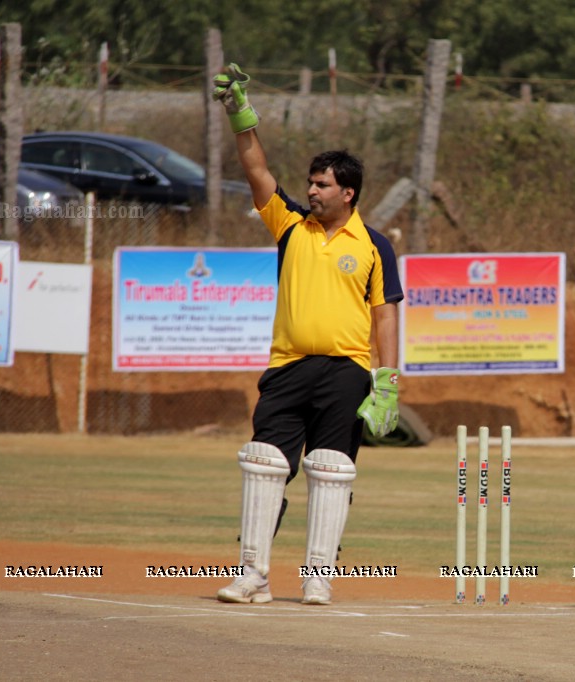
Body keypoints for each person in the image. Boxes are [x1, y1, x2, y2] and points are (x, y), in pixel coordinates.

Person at [211, 63, 405, 606]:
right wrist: (239, 113)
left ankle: (319, 574)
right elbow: (257, 170)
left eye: (321, 185)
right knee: (264, 463)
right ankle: (253, 574)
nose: (311, 191)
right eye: (310, 183)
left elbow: (385, 314)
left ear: (348, 192)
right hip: (288, 367)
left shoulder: (375, 245)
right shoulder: (290, 225)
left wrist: (387, 381)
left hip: (346, 371)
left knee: (332, 470)